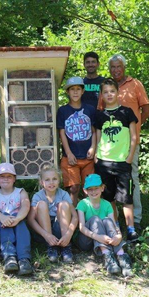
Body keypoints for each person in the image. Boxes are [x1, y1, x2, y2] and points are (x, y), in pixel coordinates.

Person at [99, 54, 149, 232]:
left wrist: (133, 129)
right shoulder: (106, 87)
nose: (116, 70)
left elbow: (146, 109)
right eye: (112, 67)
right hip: (110, 148)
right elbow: (101, 114)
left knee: (131, 179)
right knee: (110, 184)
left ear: (124, 67)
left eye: (118, 66)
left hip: (130, 145)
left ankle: (135, 220)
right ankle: (113, 220)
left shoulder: (135, 84)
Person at [94, 78, 139, 242]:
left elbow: (134, 137)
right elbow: (98, 137)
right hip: (104, 162)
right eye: (105, 92)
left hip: (122, 163)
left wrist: (129, 157)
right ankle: (115, 226)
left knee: (126, 198)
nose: (109, 94)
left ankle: (131, 229)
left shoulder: (127, 112)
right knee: (108, 197)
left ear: (118, 92)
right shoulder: (99, 115)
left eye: (112, 91)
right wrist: (95, 156)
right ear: (101, 95)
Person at [76, 174, 133, 277]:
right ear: (85, 191)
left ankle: (121, 256)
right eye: (90, 189)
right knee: (95, 219)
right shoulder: (83, 204)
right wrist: (97, 237)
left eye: (96, 188)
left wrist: (118, 235)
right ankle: (107, 255)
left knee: (107, 221)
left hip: (104, 240)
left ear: (102, 188)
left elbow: (112, 223)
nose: (93, 192)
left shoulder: (107, 204)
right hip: (86, 240)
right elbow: (81, 227)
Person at [56, 77, 96, 206]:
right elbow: (62, 132)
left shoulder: (90, 109)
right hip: (70, 158)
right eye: (72, 89)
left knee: (89, 189)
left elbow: (94, 131)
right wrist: (69, 153)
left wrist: (93, 148)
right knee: (73, 189)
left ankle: (89, 216)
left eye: (78, 89)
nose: (75, 92)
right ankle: (73, 217)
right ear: (67, 92)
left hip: (87, 157)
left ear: (83, 91)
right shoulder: (63, 111)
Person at [27, 165, 78, 263]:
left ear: (59, 181)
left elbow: (75, 216)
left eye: (54, 179)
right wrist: (46, 235)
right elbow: (30, 219)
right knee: (41, 204)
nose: (51, 182)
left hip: (62, 230)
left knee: (63, 204)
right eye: (47, 180)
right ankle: (51, 247)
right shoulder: (38, 196)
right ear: (42, 182)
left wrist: (69, 234)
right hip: (44, 233)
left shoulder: (63, 194)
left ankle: (66, 246)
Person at [0, 163, 33, 275]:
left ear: (14, 179)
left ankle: (24, 259)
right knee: (4, 221)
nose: (5, 179)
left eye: (9, 176)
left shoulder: (21, 192)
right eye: (2, 176)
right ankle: (10, 257)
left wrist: (17, 219)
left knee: (21, 226)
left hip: (19, 221)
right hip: (3, 224)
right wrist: (2, 217)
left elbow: (25, 206)